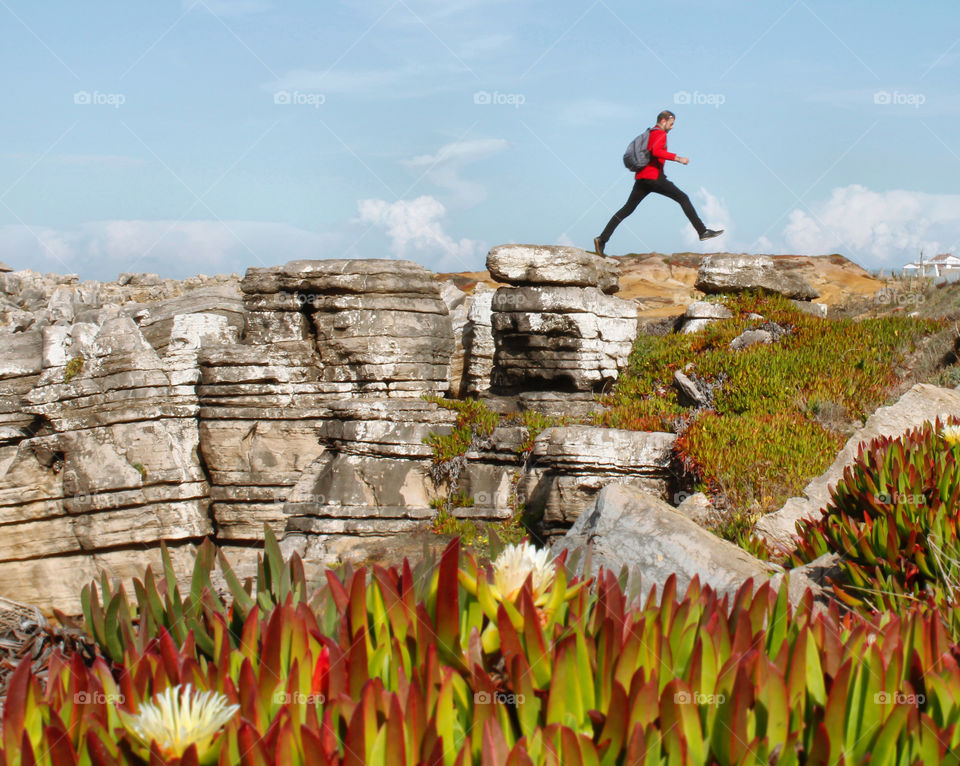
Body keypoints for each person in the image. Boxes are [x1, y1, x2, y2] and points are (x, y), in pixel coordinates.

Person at [594, 110, 723, 255]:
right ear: (663, 121)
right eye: (671, 123)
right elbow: (656, 151)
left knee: (627, 209)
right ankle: (702, 231)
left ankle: (602, 239)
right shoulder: (660, 134)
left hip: (641, 178)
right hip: (654, 178)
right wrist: (678, 158)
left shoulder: (649, 133)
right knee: (683, 198)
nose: (672, 127)